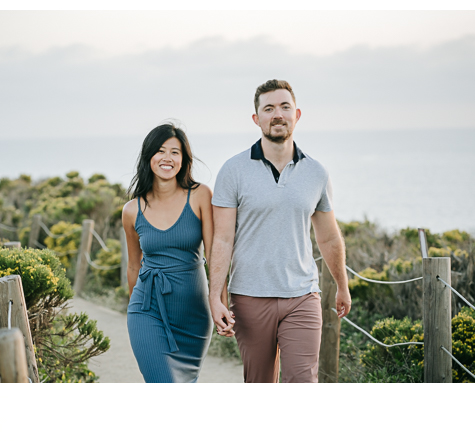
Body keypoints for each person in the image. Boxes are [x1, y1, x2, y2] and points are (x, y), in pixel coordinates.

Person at [208, 79, 352, 383]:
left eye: (285, 107)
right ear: (256, 118)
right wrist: (215, 296)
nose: (278, 114)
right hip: (249, 296)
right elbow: (222, 239)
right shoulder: (233, 170)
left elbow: (328, 236)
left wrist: (342, 284)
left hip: (302, 295)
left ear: (296, 114)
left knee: (301, 381)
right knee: (259, 382)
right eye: (269, 108)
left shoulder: (316, 172)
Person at [123, 124, 216, 383]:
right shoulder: (132, 210)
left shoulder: (200, 196)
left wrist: (221, 301)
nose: (167, 158)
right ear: (149, 156)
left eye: (175, 152)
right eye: (161, 151)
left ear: (184, 159)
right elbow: (133, 266)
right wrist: (138, 309)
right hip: (147, 310)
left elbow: (214, 256)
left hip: (194, 316)